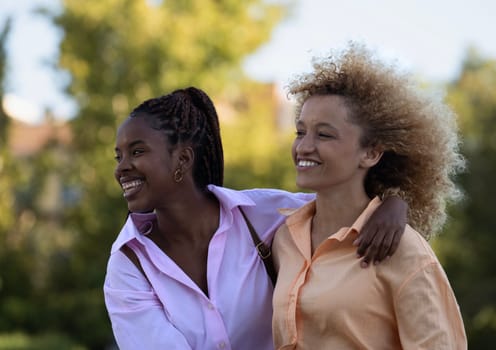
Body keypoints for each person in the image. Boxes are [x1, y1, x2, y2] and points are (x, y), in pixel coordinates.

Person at [104, 87, 408, 349]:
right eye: (119, 156)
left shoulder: (262, 215)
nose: (122, 168)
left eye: (137, 152)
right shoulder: (128, 266)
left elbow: (344, 203)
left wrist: (392, 203)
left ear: (183, 159)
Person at [272, 42, 468, 349]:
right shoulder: (284, 239)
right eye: (300, 132)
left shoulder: (402, 249)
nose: (304, 147)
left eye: (324, 134)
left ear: (372, 152)